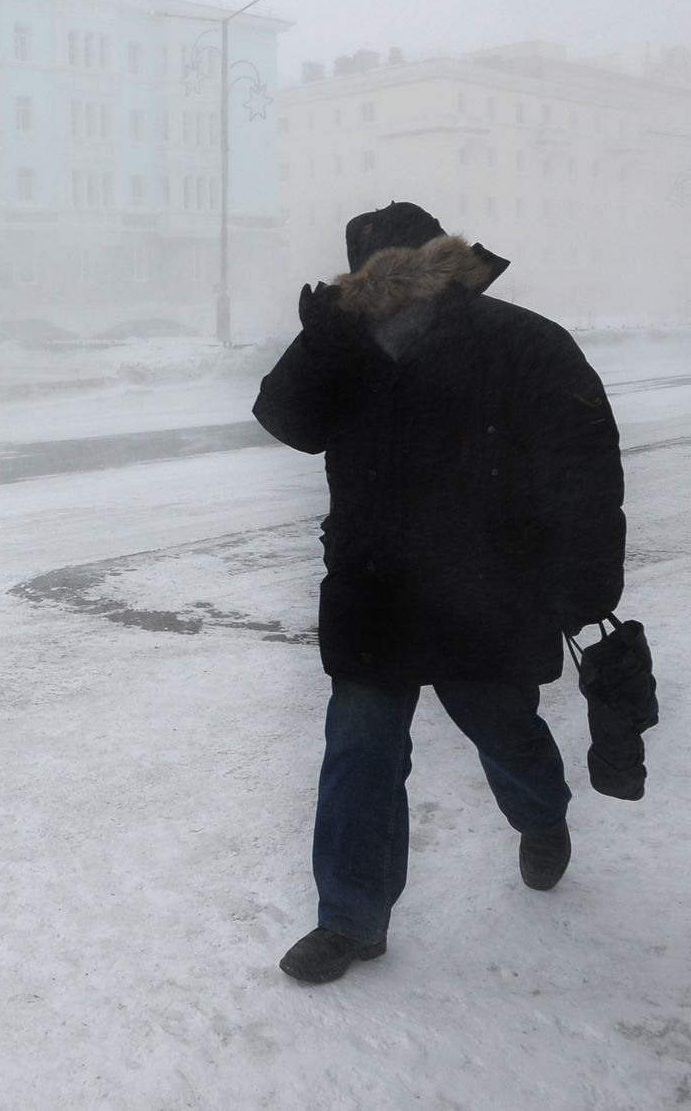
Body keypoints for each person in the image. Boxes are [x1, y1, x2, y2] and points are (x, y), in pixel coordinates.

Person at [251, 201, 625, 984]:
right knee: (360, 752)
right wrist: (321, 345)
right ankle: (350, 921)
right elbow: (286, 420)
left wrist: (587, 587)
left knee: (502, 729)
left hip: (485, 589)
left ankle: (542, 814)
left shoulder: (522, 343)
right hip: (375, 589)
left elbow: (585, 466)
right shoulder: (346, 346)